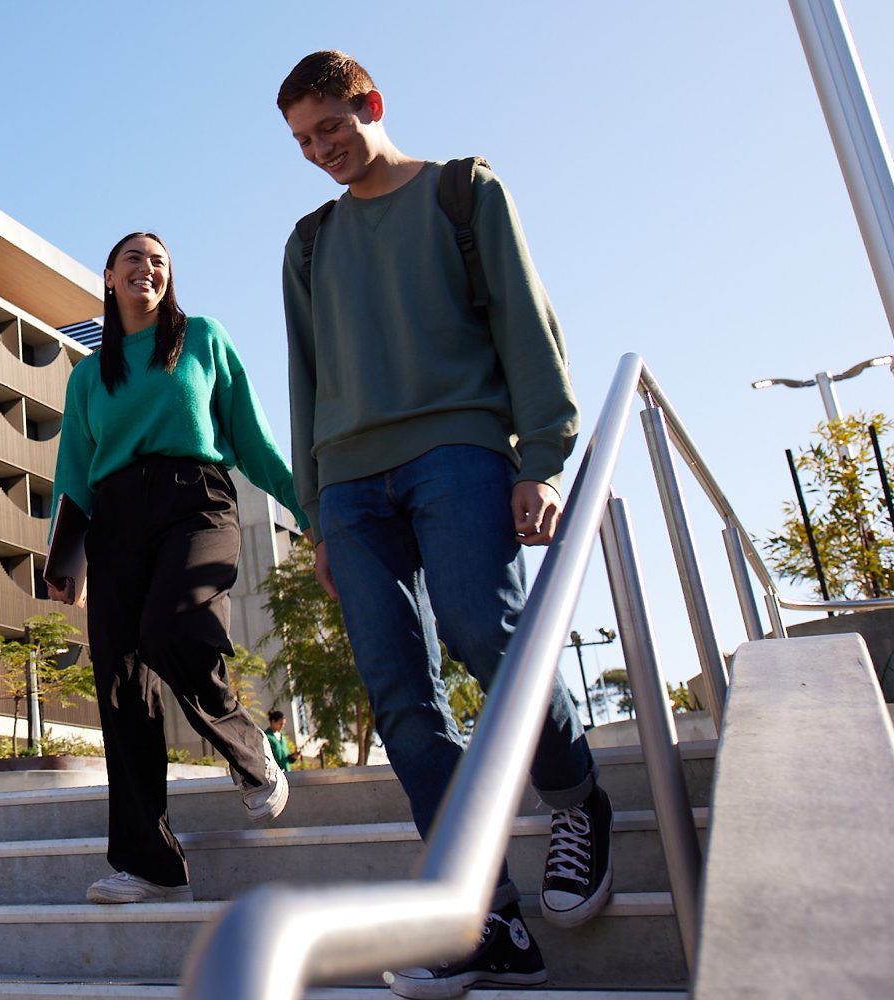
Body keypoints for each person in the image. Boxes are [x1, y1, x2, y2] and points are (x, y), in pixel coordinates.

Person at [276, 50, 612, 997]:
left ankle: (577, 798)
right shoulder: (307, 244)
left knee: (484, 630)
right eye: (303, 141)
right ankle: (482, 918)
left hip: (458, 448)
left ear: (370, 104)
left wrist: (543, 457)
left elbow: (526, 324)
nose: (320, 151)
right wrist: (314, 518)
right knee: (401, 698)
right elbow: (305, 383)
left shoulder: (463, 192)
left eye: (331, 128)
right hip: (348, 485)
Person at [51, 231, 303, 906]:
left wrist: (308, 508)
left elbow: (251, 438)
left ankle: (250, 754)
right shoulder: (87, 375)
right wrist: (64, 558)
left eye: (159, 260)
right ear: (109, 276)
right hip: (115, 521)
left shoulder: (204, 340)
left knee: (173, 628)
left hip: (197, 503)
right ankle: (148, 860)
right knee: (121, 685)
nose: (147, 267)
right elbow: (73, 474)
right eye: (133, 257)